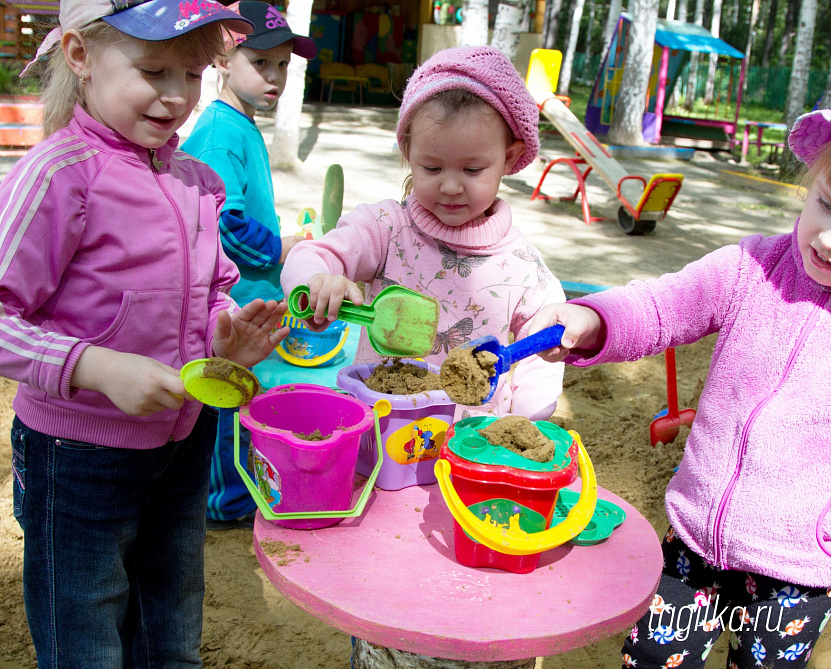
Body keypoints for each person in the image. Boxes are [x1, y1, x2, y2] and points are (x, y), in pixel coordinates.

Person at [528, 94, 831, 668]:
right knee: (649, 660)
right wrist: (595, 319)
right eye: (823, 205)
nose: (828, 238)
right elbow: (665, 304)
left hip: (801, 573)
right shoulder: (755, 267)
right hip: (697, 539)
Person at [2, 1, 290, 665]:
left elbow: (213, 291)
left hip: (185, 440)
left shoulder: (196, 180)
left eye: (190, 74)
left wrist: (229, 335)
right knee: (85, 632)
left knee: (169, 615)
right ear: (80, 56)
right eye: (152, 69)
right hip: (78, 455)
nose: (174, 96)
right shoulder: (60, 175)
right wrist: (95, 366)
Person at [280, 46, 565, 420]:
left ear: (509, 159)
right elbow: (310, 255)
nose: (450, 186)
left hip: (470, 445)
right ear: (407, 149)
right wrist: (317, 281)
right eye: (431, 168)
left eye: (472, 170)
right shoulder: (385, 229)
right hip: (381, 434)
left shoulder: (522, 266)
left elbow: (543, 347)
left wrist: (525, 419)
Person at [181, 0, 315, 531]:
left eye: (282, 64)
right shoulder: (219, 132)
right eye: (261, 63)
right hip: (230, 295)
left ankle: (238, 488)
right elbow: (225, 223)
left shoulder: (239, 124)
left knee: (250, 390)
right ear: (221, 57)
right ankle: (225, 502)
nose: (275, 76)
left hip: (250, 292)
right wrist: (283, 247)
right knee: (231, 396)